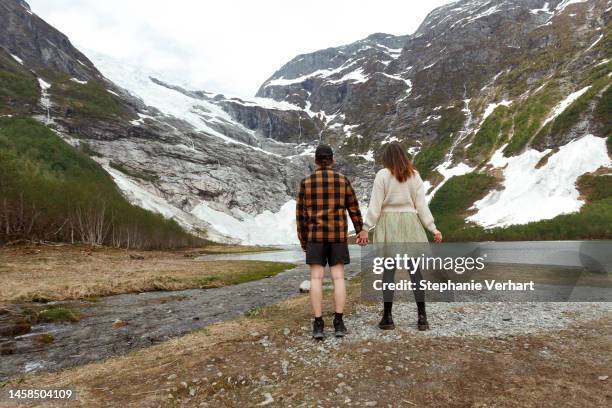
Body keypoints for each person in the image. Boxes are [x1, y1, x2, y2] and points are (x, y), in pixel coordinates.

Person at [356, 142, 442, 331]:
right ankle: (422, 318)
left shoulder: (382, 175)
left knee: (388, 273)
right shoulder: (414, 175)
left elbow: (375, 205)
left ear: (386, 158)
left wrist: (365, 228)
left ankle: (387, 318)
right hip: (410, 223)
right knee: (415, 273)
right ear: (403, 156)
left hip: (389, 224)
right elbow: (422, 206)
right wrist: (433, 229)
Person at [296, 144, 364, 340]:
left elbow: (301, 216)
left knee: (316, 278)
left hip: (315, 237)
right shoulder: (343, 180)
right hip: (337, 237)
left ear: (316, 161)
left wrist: (304, 240)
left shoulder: (306, 182)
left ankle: (318, 324)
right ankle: (339, 322)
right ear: (332, 160)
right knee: (338, 278)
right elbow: (353, 208)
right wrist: (360, 230)